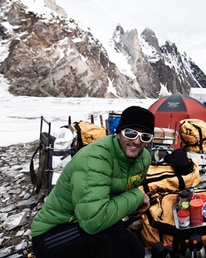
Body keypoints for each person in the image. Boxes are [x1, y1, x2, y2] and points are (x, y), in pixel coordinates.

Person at [31, 106, 155, 258]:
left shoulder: (143, 159)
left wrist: (132, 202)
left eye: (145, 137)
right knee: (111, 245)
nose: (137, 141)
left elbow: (115, 196)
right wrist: (137, 196)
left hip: (87, 217)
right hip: (53, 233)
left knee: (136, 250)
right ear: (118, 133)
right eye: (130, 133)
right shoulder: (95, 158)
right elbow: (93, 221)